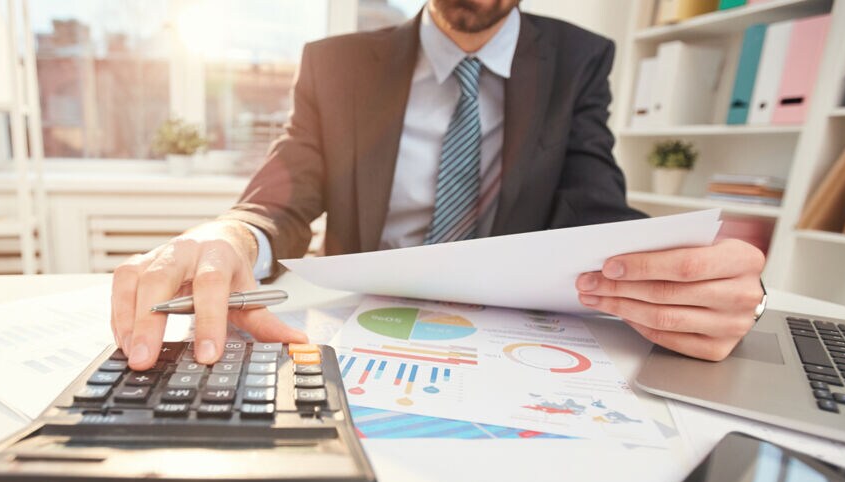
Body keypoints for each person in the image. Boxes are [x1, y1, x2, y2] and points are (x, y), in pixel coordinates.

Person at [111, 0, 766, 371]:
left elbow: (595, 210)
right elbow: (280, 195)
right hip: (351, 336)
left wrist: (695, 281)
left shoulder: (578, 61)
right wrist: (224, 236)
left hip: (508, 346)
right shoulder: (334, 65)